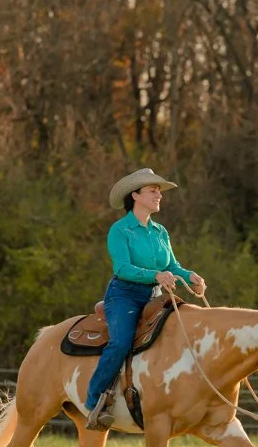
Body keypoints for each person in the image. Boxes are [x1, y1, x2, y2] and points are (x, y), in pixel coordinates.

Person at [85, 168, 206, 429]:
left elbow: (172, 266)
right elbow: (122, 268)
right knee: (120, 343)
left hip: (156, 297)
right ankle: (93, 402)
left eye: (159, 192)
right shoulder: (120, 231)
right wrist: (156, 275)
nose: (159, 196)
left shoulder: (161, 231)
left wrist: (191, 276)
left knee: (183, 334)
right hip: (124, 296)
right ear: (136, 195)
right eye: (153, 191)